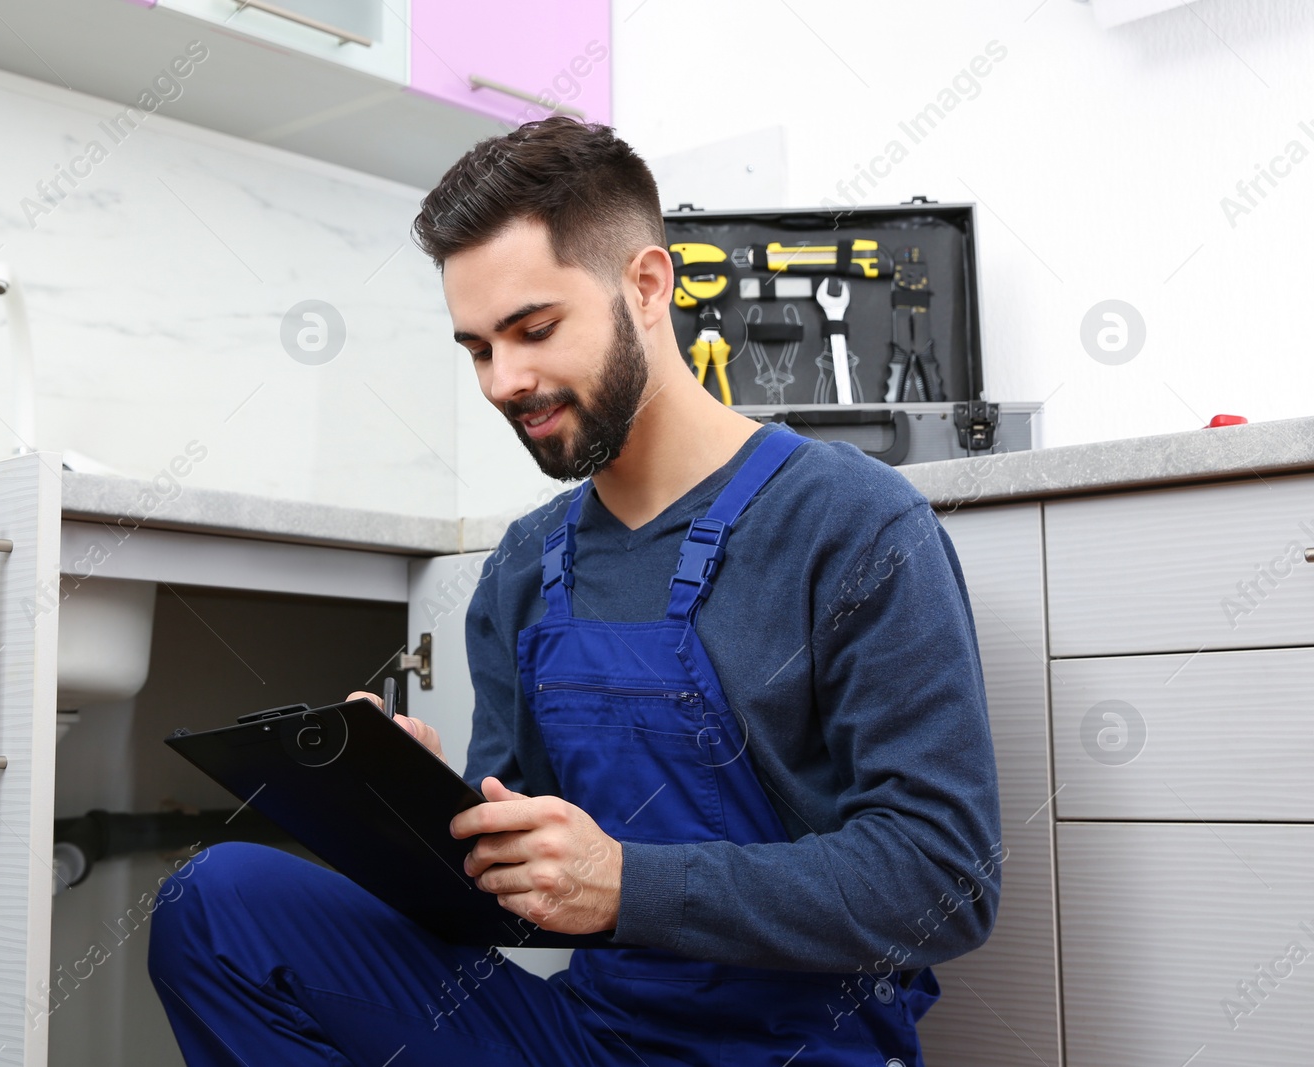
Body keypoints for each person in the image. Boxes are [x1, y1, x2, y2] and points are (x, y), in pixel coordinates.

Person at [149, 117, 1002, 1067]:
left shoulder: (851, 523)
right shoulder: (524, 569)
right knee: (218, 903)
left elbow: (945, 879)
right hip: (593, 1043)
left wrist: (628, 882)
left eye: (535, 329)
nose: (505, 380)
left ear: (645, 284)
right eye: (476, 348)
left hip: (805, 1052)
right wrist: (407, 809)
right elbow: (508, 898)